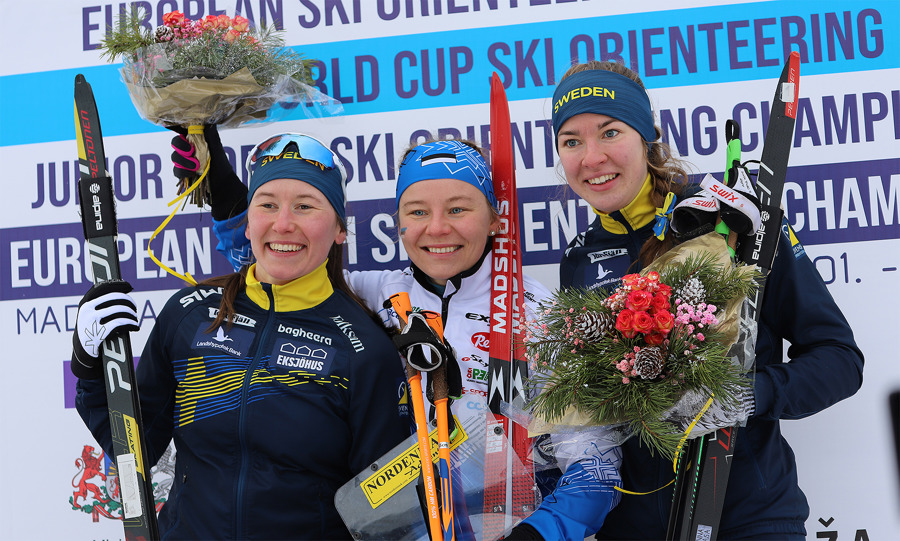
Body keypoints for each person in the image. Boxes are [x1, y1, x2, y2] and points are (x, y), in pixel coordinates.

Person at [175, 131, 624, 540]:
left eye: (458, 209)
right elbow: (279, 267)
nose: (437, 228)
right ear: (399, 223)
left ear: (493, 219)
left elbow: (595, 469)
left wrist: (536, 537)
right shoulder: (372, 297)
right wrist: (227, 193)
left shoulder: (541, 315)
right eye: (417, 211)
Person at [550, 60, 864, 540]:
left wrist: (744, 396)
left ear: (647, 135)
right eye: (571, 141)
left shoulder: (734, 222)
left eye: (609, 132)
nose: (591, 157)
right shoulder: (579, 258)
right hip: (634, 527)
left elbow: (839, 360)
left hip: (747, 518)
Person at [72, 133, 411, 540]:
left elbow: (388, 514)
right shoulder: (192, 313)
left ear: (340, 228)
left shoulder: (362, 347)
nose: (283, 223)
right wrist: (90, 366)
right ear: (248, 222)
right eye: (266, 204)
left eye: (305, 206)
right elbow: (133, 447)